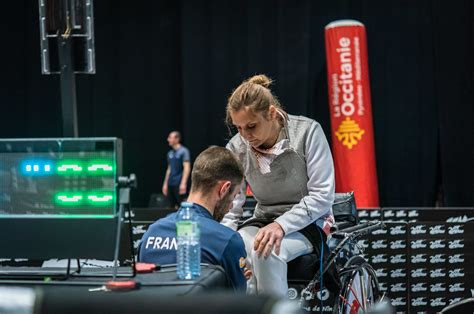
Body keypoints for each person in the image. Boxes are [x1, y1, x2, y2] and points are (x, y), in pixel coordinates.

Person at [222, 74, 337, 297]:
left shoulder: (308, 132)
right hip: (263, 220)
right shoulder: (236, 147)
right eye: (238, 128)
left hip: (310, 222)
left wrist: (281, 225)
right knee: (237, 246)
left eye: (252, 126)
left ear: (272, 113)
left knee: (267, 252)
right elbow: (231, 205)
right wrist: (223, 240)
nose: (245, 136)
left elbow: (322, 195)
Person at [140, 146, 248, 291]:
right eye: (233, 197)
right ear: (224, 189)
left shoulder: (150, 234)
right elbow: (237, 305)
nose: (230, 207)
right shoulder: (228, 240)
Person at [162, 131, 191, 208]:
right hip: (171, 183)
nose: (168, 140)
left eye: (170, 137)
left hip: (179, 184)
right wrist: (165, 184)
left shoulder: (184, 151)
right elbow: (169, 169)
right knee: (171, 207)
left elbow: (187, 167)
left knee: (182, 206)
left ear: (177, 139)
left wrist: (183, 183)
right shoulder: (170, 153)